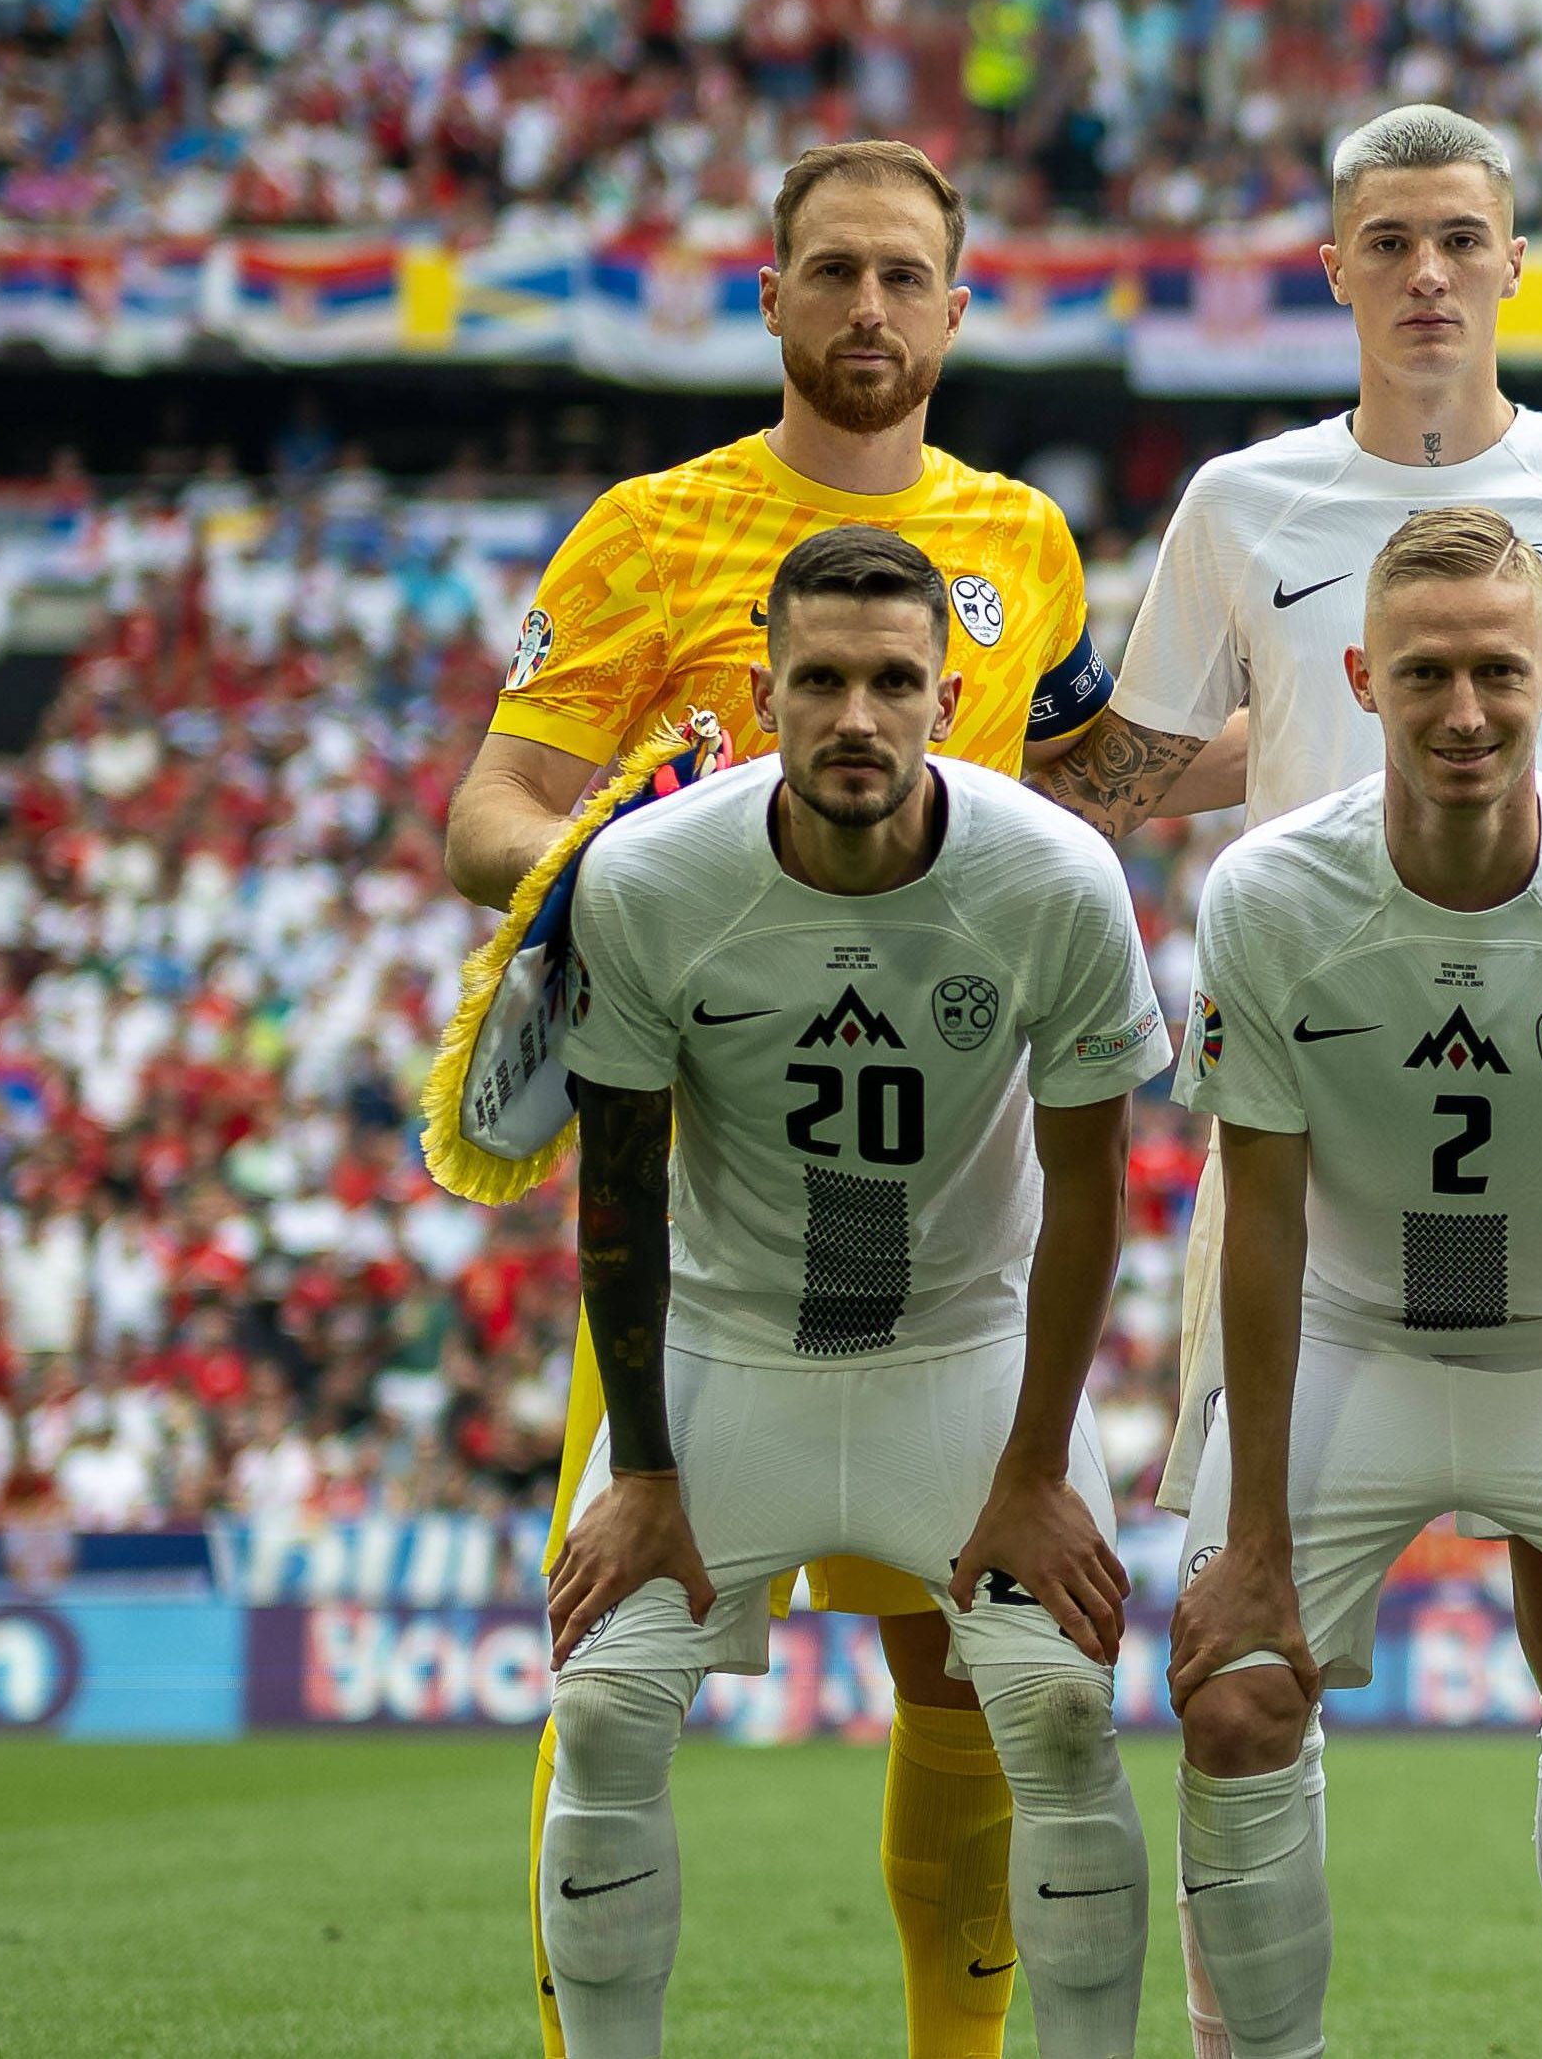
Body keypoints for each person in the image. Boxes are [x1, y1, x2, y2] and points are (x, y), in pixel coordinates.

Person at [1042, 102, 1542, 2059]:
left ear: (1508, 260)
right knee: (1242, 1639)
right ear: (1333, 270)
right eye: (1383, 238)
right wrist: (855, 797)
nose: (1421, 273)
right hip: (1311, 1086)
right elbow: (1138, 776)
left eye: (1456, 238)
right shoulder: (1242, 501)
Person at [445, 139, 1151, 2059]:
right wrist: (632, 857)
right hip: (704, 1200)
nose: (866, 307)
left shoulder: (1023, 536)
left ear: (954, 305)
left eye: (902, 275)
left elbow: (1069, 804)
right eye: (829, 271)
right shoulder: (649, 529)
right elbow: (487, 812)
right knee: (616, 1631)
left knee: (975, 1655)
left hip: (950, 1194)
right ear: (769, 299)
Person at [536, 527, 1172, 2059]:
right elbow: (616, 1185)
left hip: (961, 1360)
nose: (856, 717)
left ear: (949, 698)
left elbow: (1089, 1189)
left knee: (1066, 1709)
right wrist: (642, 1472)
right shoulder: (649, 879)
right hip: (728, 1352)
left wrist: (1033, 1469)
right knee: (607, 1706)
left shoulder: (1053, 876)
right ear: (763, 691)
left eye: (895, 682)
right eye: (819, 680)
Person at [1159, 506, 1542, 2059]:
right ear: (1361, 677)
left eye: (1500, 670)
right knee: (1233, 1695)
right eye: (1424, 671)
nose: (1464, 710)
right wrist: (1250, 1539)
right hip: (1358, 1341)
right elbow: (1266, 1213)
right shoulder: (1269, 891)